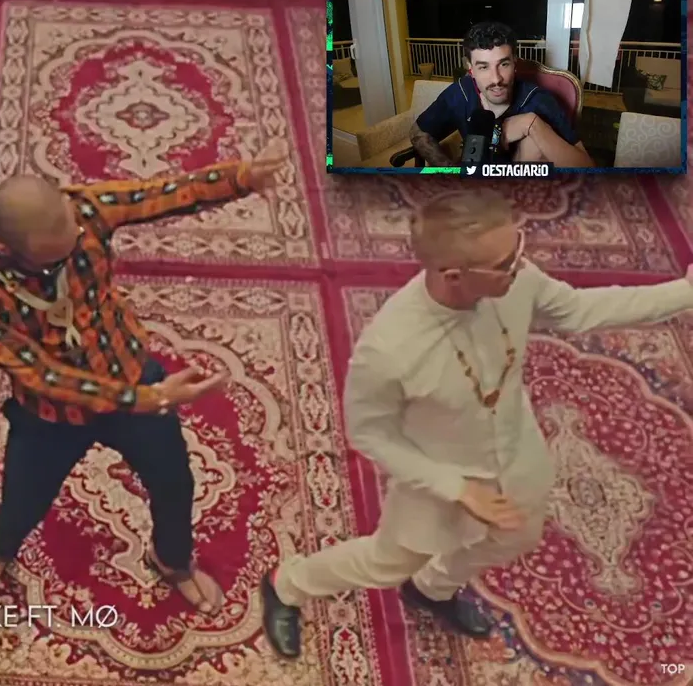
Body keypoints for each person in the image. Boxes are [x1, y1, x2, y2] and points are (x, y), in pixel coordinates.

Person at [260, 190, 693, 657]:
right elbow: (370, 433)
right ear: (454, 275)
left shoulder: (518, 279)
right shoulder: (389, 349)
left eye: (518, 247)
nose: (521, 265)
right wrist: (457, 488)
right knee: (389, 562)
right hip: (437, 478)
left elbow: (581, 309)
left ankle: (431, 589)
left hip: (517, 453)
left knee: (518, 535)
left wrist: (685, 292)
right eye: (505, 263)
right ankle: (287, 585)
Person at [0, 139, 290, 615]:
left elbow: (160, 194)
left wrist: (240, 178)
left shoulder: (83, 211)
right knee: (22, 500)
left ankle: (172, 560)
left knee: (174, 484)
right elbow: (40, 374)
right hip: (52, 412)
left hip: (126, 367)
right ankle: (2, 549)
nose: (75, 244)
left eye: (74, 234)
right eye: (55, 257)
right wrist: (146, 399)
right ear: (6, 250)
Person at [409, 21, 594, 167]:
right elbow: (418, 132)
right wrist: (449, 170)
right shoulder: (461, 93)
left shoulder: (539, 101)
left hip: (525, 193)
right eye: (483, 67)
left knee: (532, 144)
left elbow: (587, 169)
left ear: (515, 63)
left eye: (504, 64)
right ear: (470, 69)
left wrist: (532, 124)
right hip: (476, 192)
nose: (496, 79)